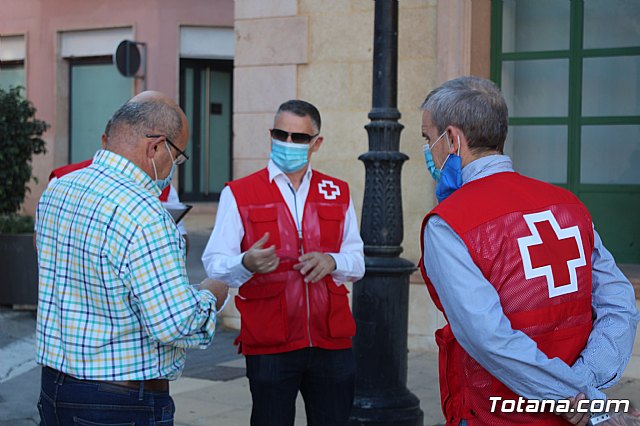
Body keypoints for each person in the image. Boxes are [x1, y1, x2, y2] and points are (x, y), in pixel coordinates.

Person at [418, 76, 639, 425]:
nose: (429, 152)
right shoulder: (567, 205)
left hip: (493, 412)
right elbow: (619, 302)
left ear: (453, 139)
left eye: (428, 139)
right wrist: (585, 387)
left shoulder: (448, 223)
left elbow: (487, 338)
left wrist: (573, 397)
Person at [35, 90, 229, 425]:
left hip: (56, 387)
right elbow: (175, 324)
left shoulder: (60, 188)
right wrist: (211, 294)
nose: (173, 169)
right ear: (156, 147)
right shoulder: (145, 213)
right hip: (120, 399)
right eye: (177, 157)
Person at [202, 99, 365, 425]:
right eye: (281, 134)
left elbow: (357, 260)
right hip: (270, 342)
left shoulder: (337, 191)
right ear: (271, 134)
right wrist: (246, 263)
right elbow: (214, 263)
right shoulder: (239, 193)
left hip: (331, 341)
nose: (287, 143)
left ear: (316, 143)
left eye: (298, 137)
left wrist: (332, 261)